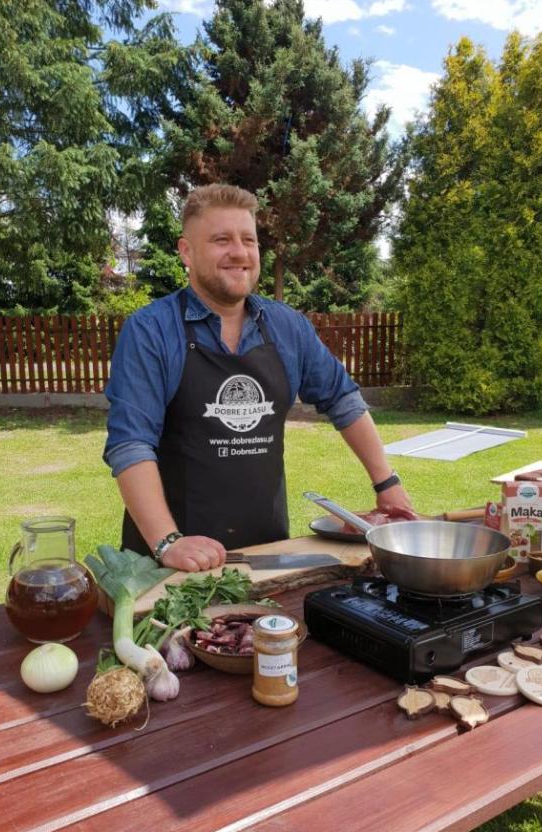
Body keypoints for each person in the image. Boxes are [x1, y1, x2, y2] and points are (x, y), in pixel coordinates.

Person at [104, 183, 414, 572]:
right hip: (170, 562)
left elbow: (343, 400)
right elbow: (130, 445)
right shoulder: (150, 330)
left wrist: (387, 484)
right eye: (221, 240)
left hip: (267, 551)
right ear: (186, 251)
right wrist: (168, 542)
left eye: (248, 240)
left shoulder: (287, 327)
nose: (239, 252)